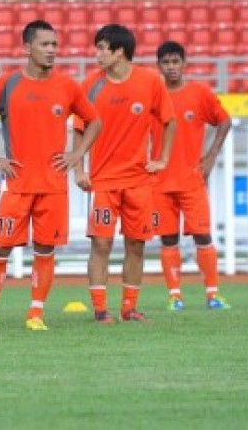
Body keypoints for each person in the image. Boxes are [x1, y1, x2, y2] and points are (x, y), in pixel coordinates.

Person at [0, 20, 102, 332]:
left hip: (53, 187)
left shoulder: (67, 86)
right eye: (45, 44)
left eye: (55, 45)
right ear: (27, 48)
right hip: (17, 185)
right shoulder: (7, 84)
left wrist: (78, 155)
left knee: (45, 249)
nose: (52, 50)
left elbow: (94, 121)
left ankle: (35, 314)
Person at [73, 24, 176, 324]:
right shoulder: (90, 85)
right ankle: (101, 310)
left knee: (136, 244)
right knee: (101, 244)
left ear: (119, 51)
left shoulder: (150, 83)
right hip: (103, 180)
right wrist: (79, 168)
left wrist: (162, 159)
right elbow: (78, 129)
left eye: (102, 48)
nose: (97, 54)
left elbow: (169, 121)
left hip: (139, 181)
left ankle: (129, 308)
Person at [153, 41, 232, 311]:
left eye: (176, 62)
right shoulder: (152, 94)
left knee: (202, 235)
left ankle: (212, 294)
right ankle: (175, 296)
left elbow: (225, 120)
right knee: (168, 238)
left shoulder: (199, 93)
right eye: (166, 62)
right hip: (159, 182)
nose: (171, 67)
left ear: (184, 64)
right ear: (158, 66)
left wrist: (210, 157)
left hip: (191, 180)